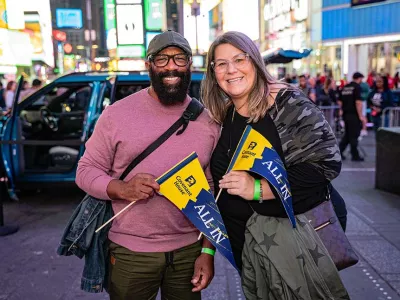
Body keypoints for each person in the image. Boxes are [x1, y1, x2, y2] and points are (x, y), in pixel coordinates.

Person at [202, 31, 349, 299]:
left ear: (255, 62)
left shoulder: (285, 103)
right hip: (250, 249)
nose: (230, 69)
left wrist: (258, 189)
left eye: (239, 59)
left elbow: (326, 162)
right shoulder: (225, 114)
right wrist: (208, 248)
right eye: (221, 63)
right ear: (213, 72)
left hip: (294, 244)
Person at [76, 31, 218, 300]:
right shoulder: (116, 114)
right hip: (131, 253)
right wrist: (122, 188)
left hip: (189, 250)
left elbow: (211, 192)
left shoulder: (208, 122)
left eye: (179, 58)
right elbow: (85, 171)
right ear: (148, 64)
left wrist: (207, 251)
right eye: (162, 59)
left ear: (190, 64)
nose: (171, 66)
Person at [338, 72, 366, 161]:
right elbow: (358, 102)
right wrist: (361, 116)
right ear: (359, 78)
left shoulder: (345, 87)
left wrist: (342, 109)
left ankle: (339, 152)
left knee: (348, 135)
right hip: (354, 115)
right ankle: (355, 155)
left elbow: (339, 101)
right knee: (354, 135)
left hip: (346, 114)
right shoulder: (357, 87)